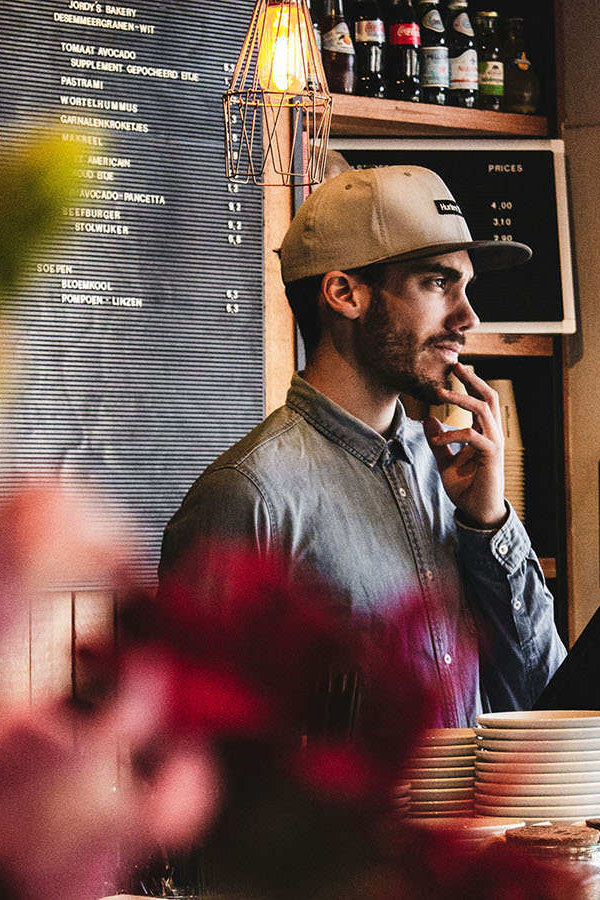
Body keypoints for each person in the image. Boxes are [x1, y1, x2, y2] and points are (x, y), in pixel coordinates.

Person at [160, 165, 566, 727]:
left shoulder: (458, 479)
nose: (468, 316)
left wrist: (488, 523)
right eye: (436, 283)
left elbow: (545, 699)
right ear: (344, 293)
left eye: (465, 287)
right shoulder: (248, 497)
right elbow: (201, 757)